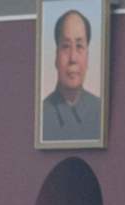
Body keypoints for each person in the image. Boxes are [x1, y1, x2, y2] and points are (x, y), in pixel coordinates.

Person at [42, 9, 101, 142]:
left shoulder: (99, 110)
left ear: (88, 56)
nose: (73, 58)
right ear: (56, 56)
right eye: (66, 46)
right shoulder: (42, 115)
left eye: (79, 46)